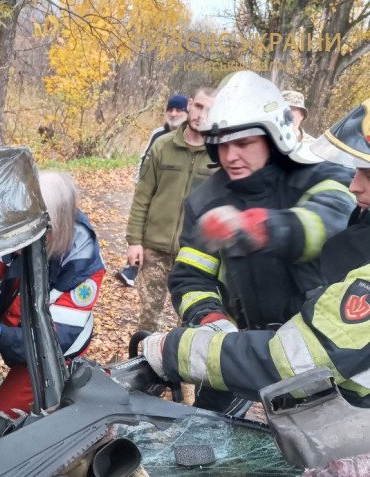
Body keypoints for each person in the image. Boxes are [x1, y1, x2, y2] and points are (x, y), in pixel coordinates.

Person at [142, 98, 370, 408]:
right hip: (239, 344)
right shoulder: (207, 200)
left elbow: (333, 217)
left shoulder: (315, 173)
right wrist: (210, 319)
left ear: (273, 139)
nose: (231, 156)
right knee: (207, 430)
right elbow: (190, 276)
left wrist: (262, 227)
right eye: (222, 146)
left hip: (317, 343)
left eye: (244, 143)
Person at [0, 171, 105, 432]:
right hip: (12, 323)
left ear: (52, 228)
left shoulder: (81, 265)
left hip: (51, 357)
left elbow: (56, 341)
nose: (15, 240)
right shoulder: (21, 227)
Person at [124, 87, 215, 330]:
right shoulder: (162, 146)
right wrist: (134, 241)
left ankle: (174, 364)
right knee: (148, 318)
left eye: (209, 109)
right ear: (190, 105)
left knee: (187, 321)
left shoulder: (219, 154)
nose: (201, 115)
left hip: (195, 254)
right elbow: (143, 195)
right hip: (155, 248)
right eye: (198, 106)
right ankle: (143, 362)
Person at [116, 93, 188, 287]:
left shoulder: (196, 138)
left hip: (174, 202)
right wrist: (140, 181)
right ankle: (131, 270)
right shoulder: (158, 134)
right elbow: (144, 158)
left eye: (179, 110)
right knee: (142, 228)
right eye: (170, 109)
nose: (173, 114)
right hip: (153, 190)